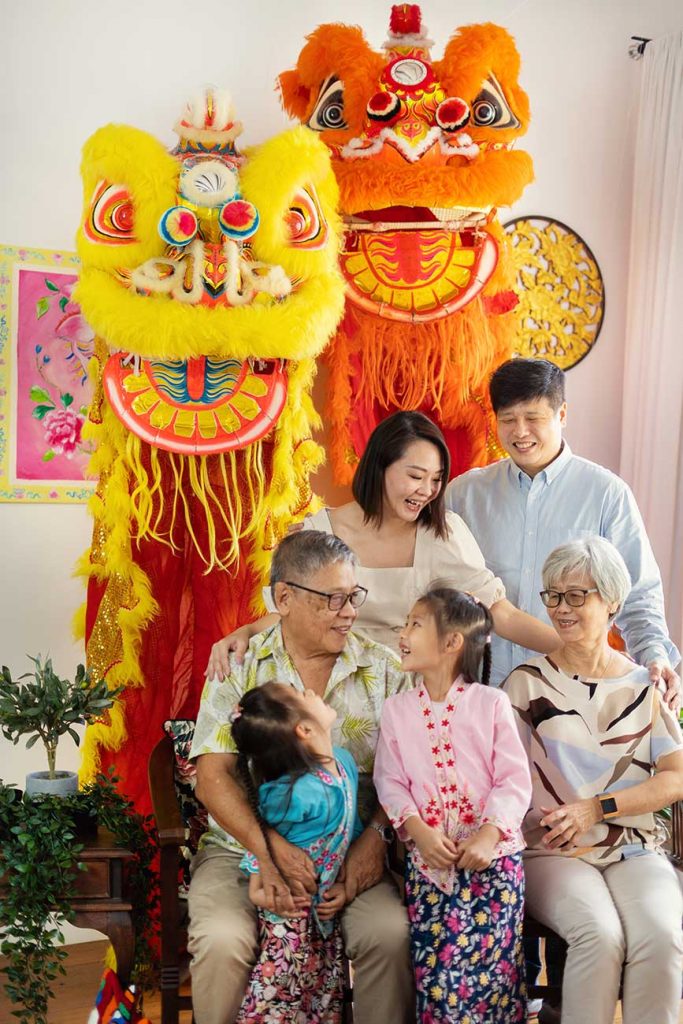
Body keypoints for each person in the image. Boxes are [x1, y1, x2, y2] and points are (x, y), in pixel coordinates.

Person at [188, 530, 415, 1024]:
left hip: (349, 850)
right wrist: (266, 849)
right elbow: (212, 776)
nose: (349, 611)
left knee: (389, 935)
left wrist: (375, 839)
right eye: (333, 599)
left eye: (354, 596)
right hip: (240, 851)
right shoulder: (240, 665)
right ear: (284, 598)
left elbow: (407, 775)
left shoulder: (387, 671)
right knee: (222, 939)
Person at [206, 410, 558, 676]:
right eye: (415, 476)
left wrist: (573, 650)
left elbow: (498, 612)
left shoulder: (443, 533)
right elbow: (288, 616)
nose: (427, 490)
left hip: (412, 695)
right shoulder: (319, 533)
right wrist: (247, 632)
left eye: (436, 479)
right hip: (331, 690)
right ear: (379, 468)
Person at [503, 537, 683, 1024]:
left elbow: (675, 778)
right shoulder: (524, 684)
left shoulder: (644, 685)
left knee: (660, 934)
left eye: (577, 595)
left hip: (634, 846)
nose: (562, 608)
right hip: (552, 851)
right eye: (553, 595)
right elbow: (498, 779)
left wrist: (596, 807)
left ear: (613, 603)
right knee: (598, 934)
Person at [445, 357, 680, 699]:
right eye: (508, 419)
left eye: (533, 418)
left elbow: (638, 594)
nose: (520, 432)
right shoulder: (465, 494)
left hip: (572, 696)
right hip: (478, 691)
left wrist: (655, 656)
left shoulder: (606, 494)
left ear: (562, 414)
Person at [374, 588, 532, 1023]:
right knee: (439, 981)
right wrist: (418, 833)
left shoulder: (491, 704)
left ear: (452, 643)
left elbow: (514, 779)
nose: (402, 633)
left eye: (414, 624)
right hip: (430, 871)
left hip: (494, 868)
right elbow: (389, 780)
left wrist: (489, 833)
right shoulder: (397, 710)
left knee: (494, 983)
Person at [230, 682, 363, 1023]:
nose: (311, 692)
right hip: (285, 930)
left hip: (322, 928)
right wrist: (269, 899)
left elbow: (349, 836)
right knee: (276, 1007)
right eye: (301, 694)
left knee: (320, 1004)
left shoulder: (344, 764)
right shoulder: (292, 796)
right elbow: (261, 874)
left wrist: (347, 887)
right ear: (304, 729)